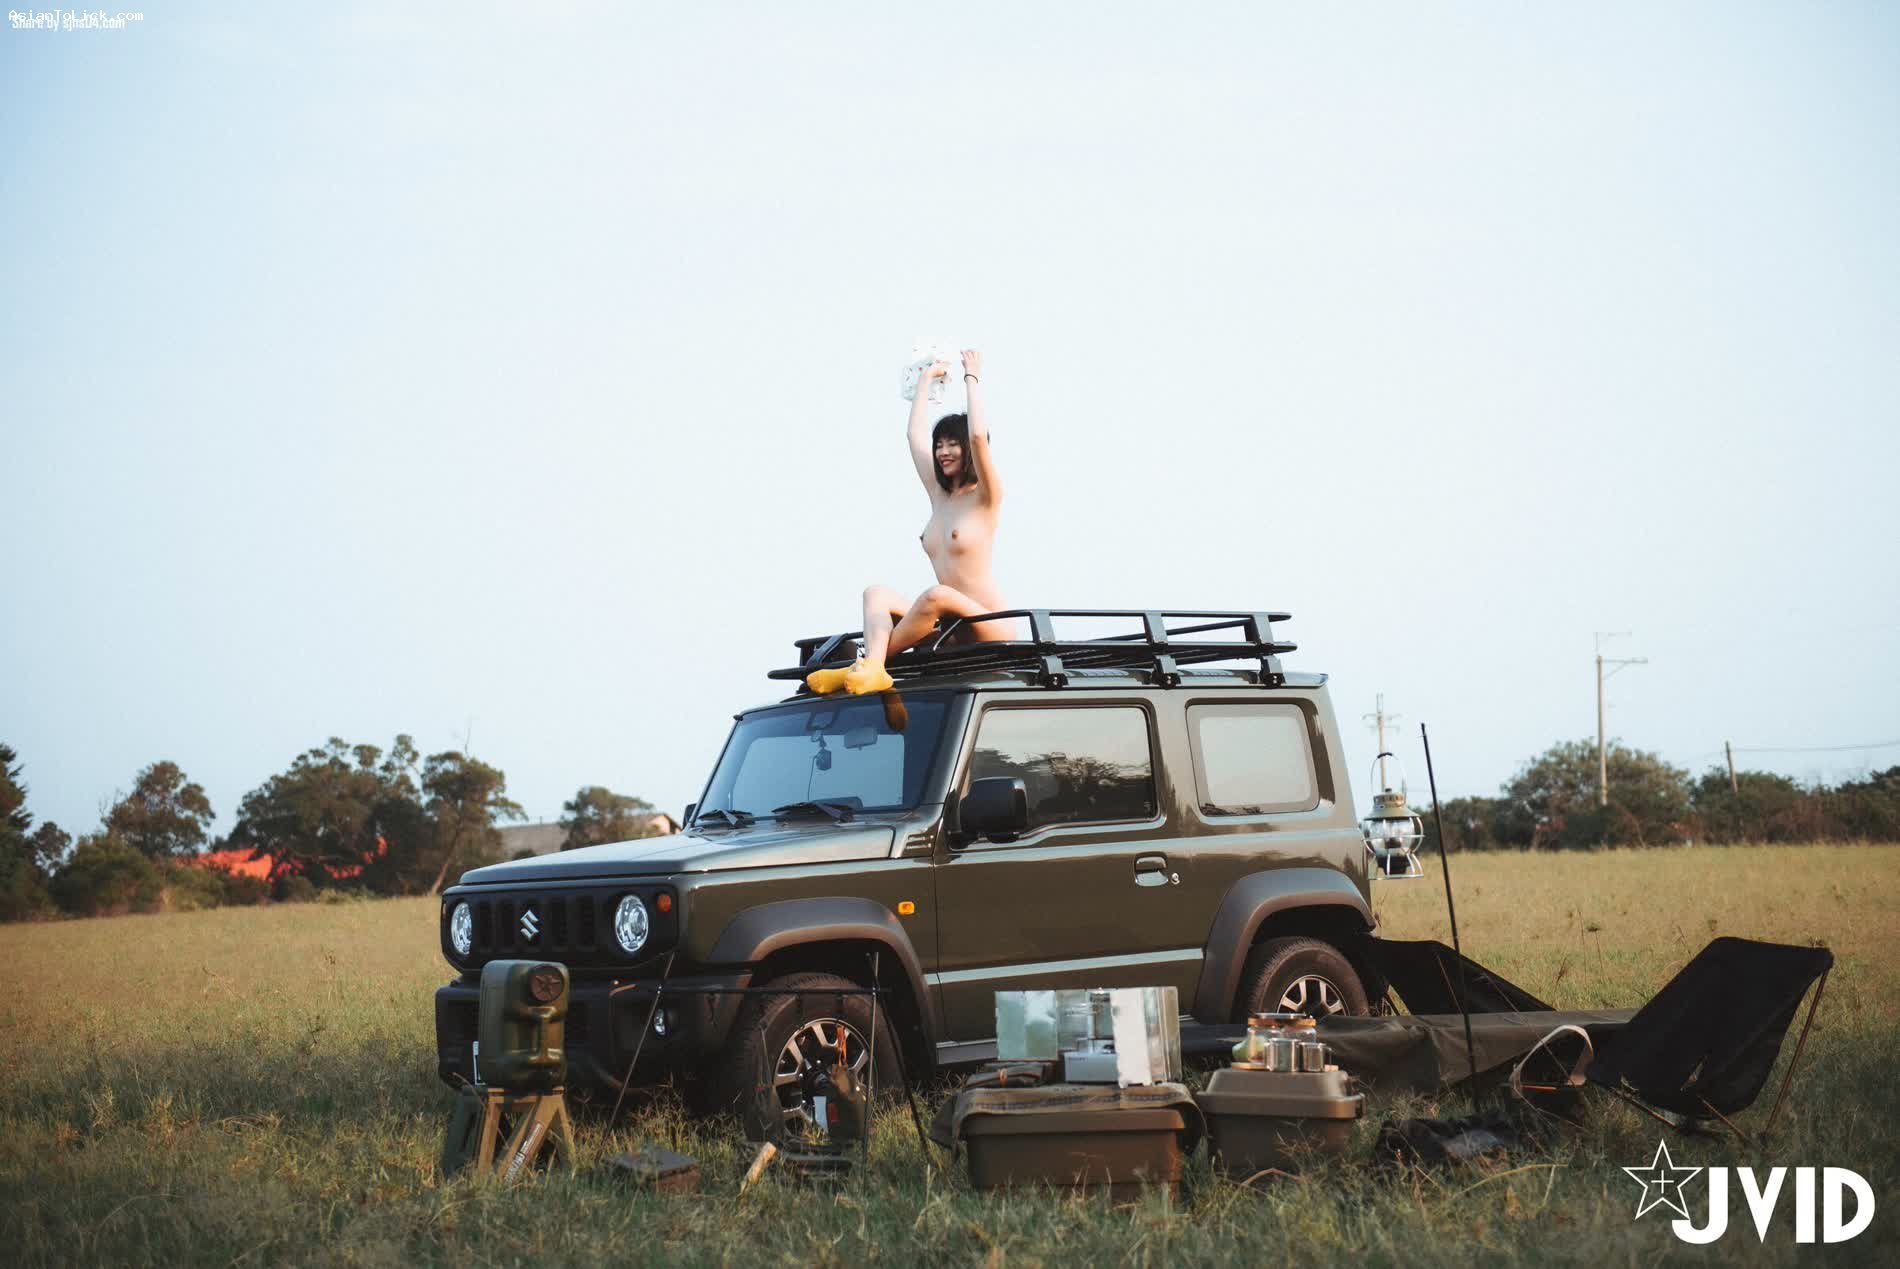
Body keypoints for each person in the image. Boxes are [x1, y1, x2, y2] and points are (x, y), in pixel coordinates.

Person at [808, 348, 1010, 695]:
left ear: (967, 450)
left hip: (987, 622)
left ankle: (865, 665)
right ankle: (873, 666)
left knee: (936, 595)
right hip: (948, 626)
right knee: (876, 594)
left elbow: (978, 436)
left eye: (952, 444)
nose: (942, 452)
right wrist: (924, 382)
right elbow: (914, 436)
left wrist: (971, 377)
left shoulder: (986, 497)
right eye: (939, 445)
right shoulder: (939, 495)